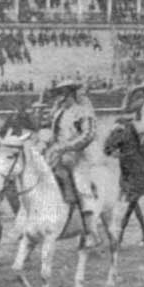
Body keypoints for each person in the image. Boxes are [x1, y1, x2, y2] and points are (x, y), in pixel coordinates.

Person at [44, 80, 102, 247]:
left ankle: (92, 232)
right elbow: (52, 133)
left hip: (79, 156)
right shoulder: (58, 113)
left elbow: (88, 134)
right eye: (59, 94)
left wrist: (68, 146)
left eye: (63, 94)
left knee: (82, 187)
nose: (60, 98)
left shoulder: (83, 112)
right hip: (57, 154)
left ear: (71, 94)